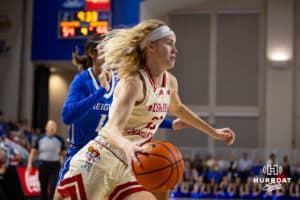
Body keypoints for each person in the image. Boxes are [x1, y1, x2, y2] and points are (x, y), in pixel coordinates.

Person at [55, 19, 235, 200]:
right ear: (151, 47)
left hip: (131, 164)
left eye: (175, 45)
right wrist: (128, 146)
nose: (175, 50)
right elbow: (110, 130)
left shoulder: (170, 81)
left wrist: (213, 132)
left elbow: (178, 108)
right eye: (169, 44)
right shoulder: (133, 82)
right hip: (101, 160)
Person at [55, 34, 187, 191]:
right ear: (92, 53)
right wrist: (100, 92)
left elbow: (136, 114)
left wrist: (171, 124)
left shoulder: (121, 82)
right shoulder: (82, 81)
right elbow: (67, 116)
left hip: (110, 153)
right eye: (105, 49)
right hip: (83, 152)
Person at [27, 120, 66, 200]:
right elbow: (33, 152)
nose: (52, 128)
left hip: (55, 166)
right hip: (43, 165)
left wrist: (64, 164)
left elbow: (64, 153)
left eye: (54, 127)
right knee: (43, 187)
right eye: (51, 126)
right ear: (46, 127)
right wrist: (29, 164)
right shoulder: (40, 138)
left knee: (52, 187)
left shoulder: (60, 140)